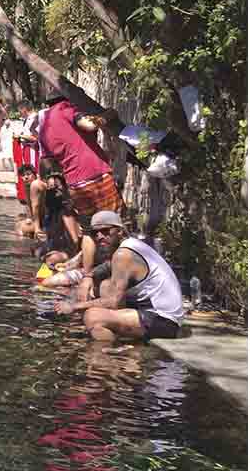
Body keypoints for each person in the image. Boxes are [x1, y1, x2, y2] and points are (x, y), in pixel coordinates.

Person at [54, 210, 184, 341]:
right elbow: (107, 266)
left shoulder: (123, 254)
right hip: (155, 313)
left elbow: (113, 302)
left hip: (164, 321)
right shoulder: (129, 245)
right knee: (104, 286)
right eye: (95, 233)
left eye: (105, 231)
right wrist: (88, 277)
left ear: (120, 231)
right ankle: (116, 335)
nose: (99, 236)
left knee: (93, 317)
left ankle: (109, 356)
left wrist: (73, 306)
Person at [38, 93, 125, 227]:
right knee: (113, 224)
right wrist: (109, 114)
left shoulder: (44, 127)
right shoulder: (64, 108)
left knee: (90, 229)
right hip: (95, 176)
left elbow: (47, 162)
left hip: (75, 185)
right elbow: (89, 125)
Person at [11, 101, 41, 204]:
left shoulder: (35, 119)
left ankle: (35, 197)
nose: (19, 113)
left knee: (32, 172)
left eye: (20, 110)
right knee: (26, 173)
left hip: (32, 150)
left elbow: (36, 137)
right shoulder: (27, 120)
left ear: (24, 109)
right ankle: (28, 197)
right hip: (26, 150)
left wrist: (20, 136)